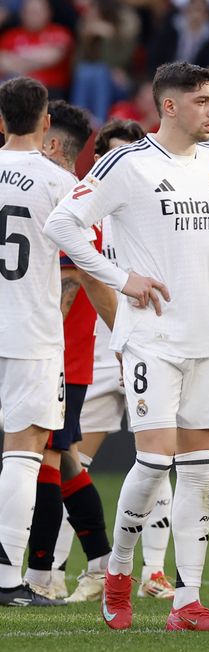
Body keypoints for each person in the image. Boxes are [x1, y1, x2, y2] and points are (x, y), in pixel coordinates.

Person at [43, 61, 209, 631]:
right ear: (170, 106)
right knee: (155, 461)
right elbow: (62, 224)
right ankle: (118, 573)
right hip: (152, 336)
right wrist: (120, 277)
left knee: (200, 471)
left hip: (208, 334)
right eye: (203, 100)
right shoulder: (127, 164)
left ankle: (188, 602)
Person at [51, 118, 177, 603]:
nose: (119, 163)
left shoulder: (160, 210)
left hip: (156, 342)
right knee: (72, 459)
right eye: (109, 154)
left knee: (158, 457)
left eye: (131, 153)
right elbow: (73, 279)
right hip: (101, 352)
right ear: (97, 159)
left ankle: (154, 572)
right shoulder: (86, 213)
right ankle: (67, 569)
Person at [25, 100, 118, 604]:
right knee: (63, 460)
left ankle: (40, 573)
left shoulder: (65, 199)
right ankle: (100, 563)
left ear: (52, 145)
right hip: (67, 352)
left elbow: (69, 283)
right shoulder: (83, 197)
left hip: (55, 351)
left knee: (46, 455)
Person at [0, 76, 77, 607]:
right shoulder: (57, 182)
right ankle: (7, 581)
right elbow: (87, 258)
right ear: (46, 122)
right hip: (31, 332)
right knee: (24, 455)